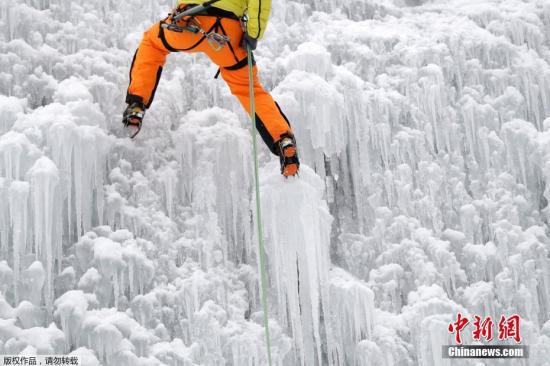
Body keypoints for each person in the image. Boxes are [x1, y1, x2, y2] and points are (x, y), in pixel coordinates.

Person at [122, 0, 300, 177]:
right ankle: (283, 140)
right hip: (227, 34)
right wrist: (253, 34)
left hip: (188, 22)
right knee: (248, 89)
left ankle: (136, 103)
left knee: (152, 43)